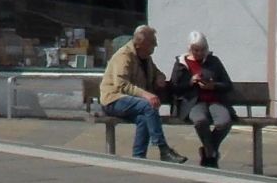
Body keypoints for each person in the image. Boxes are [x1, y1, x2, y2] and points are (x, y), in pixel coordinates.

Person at [99, 24, 186, 162]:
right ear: (141, 43)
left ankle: (138, 158)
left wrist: (160, 77)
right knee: (148, 105)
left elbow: (156, 72)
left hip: (131, 101)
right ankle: (163, 149)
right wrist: (146, 95)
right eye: (153, 42)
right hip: (114, 100)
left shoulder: (145, 57)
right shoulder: (124, 56)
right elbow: (121, 85)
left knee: (144, 119)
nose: (156, 45)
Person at [170, 31, 235, 167]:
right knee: (200, 121)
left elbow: (228, 84)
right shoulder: (181, 63)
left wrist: (213, 86)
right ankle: (211, 155)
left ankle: (208, 151)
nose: (199, 53)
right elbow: (174, 87)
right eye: (196, 50)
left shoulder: (214, 61)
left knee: (224, 122)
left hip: (215, 100)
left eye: (202, 50)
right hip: (194, 102)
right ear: (190, 49)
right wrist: (191, 81)